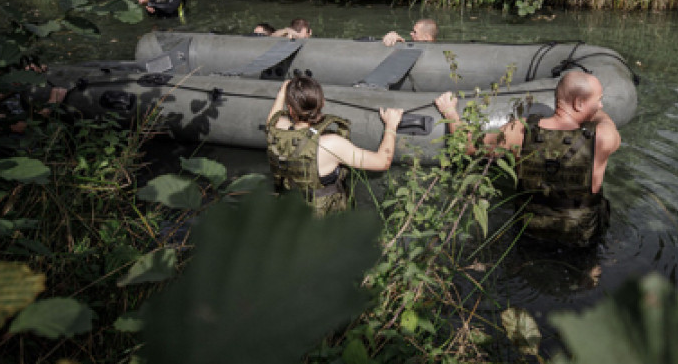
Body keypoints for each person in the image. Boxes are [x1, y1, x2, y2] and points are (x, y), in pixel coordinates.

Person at [434, 71, 620, 246]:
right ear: (579, 103)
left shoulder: (519, 131)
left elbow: (467, 146)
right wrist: (596, 113)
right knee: (589, 272)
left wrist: (450, 111)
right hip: (581, 239)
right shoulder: (603, 137)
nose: (601, 105)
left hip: (531, 234)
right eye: (599, 100)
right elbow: (606, 122)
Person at [266, 75, 403, 215]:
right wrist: (391, 126)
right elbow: (382, 162)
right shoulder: (331, 144)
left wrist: (283, 92)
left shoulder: (277, 131)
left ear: (290, 109)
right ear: (323, 103)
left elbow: (272, 119)